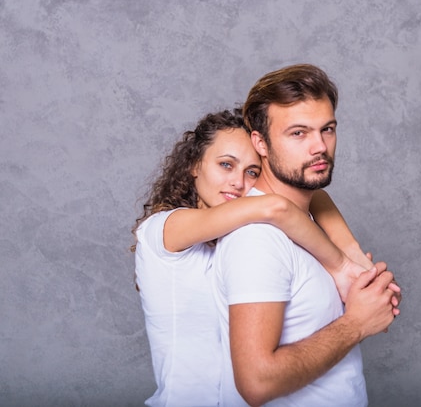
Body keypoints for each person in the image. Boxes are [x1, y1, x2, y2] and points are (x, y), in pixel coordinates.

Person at [131, 108, 393, 407]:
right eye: (226, 165)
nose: (238, 182)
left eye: (252, 171)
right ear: (194, 164)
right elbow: (278, 207)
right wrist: (343, 266)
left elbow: (314, 195)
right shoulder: (162, 228)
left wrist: (353, 250)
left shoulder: (237, 236)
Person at [213, 64, 400, 406]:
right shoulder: (258, 241)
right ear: (261, 142)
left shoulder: (311, 221)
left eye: (327, 129)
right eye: (298, 133)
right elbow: (256, 382)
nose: (319, 147)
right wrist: (356, 323)